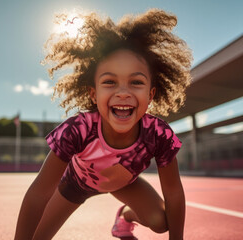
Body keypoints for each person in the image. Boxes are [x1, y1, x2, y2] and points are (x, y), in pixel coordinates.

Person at [14, 8, 192, 240]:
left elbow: (174, 192)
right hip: (75, 185)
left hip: (124, 182)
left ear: (151, 94)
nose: (123, 93)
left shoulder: (158, 135)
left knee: (161, 222)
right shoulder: (77, 130)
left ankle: (125, 218)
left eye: (136, 82)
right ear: (93, 94)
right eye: (109, 82)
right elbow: (39, 193)